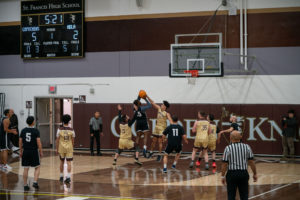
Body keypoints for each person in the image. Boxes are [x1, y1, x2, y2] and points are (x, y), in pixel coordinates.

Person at [221, 131, 257, 200]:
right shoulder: (247, 147)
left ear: (230, 138)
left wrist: (222, 176)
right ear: (241, 137)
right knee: (244, 196)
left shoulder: (228, 148)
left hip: (231, 174)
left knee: (231, 196)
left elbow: (224, 164)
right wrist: (255, 173)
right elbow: (251, 162)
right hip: (243, 173)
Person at [19, 116, 43, 191]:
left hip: (25, 151)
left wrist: (20, 151)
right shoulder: (36, 131)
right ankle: (35, 182)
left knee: (26, 168)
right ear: (33, 122)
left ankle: (25, 185)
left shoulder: (23, 130)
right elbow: (38, 142)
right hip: (34, 151)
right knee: (37, 167)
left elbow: (20, 141)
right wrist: (41, 151)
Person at [147, 96, 171, 161]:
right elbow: (152, 102)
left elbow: (171, 121)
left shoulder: (166, 113)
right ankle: (151, 152)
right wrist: (146, 96)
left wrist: (173, 127)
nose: (161, 105)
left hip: (162, 129)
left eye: (163, 105)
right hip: (157, 128)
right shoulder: (159, 109)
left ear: (165, 107)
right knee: (153, 141)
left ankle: (159, 155)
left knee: (160, 142)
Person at [56, 114, 75, 184]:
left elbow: (57, 140)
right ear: (69, 121)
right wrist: (72, 147)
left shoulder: (59, 129)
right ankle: (68, 177)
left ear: (63, 121)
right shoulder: (72, 130)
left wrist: (56, 148)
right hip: (69, 148)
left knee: (61, 162)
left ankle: (61, 176)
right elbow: (73, 140)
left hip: (61, 148)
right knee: (69, 162)